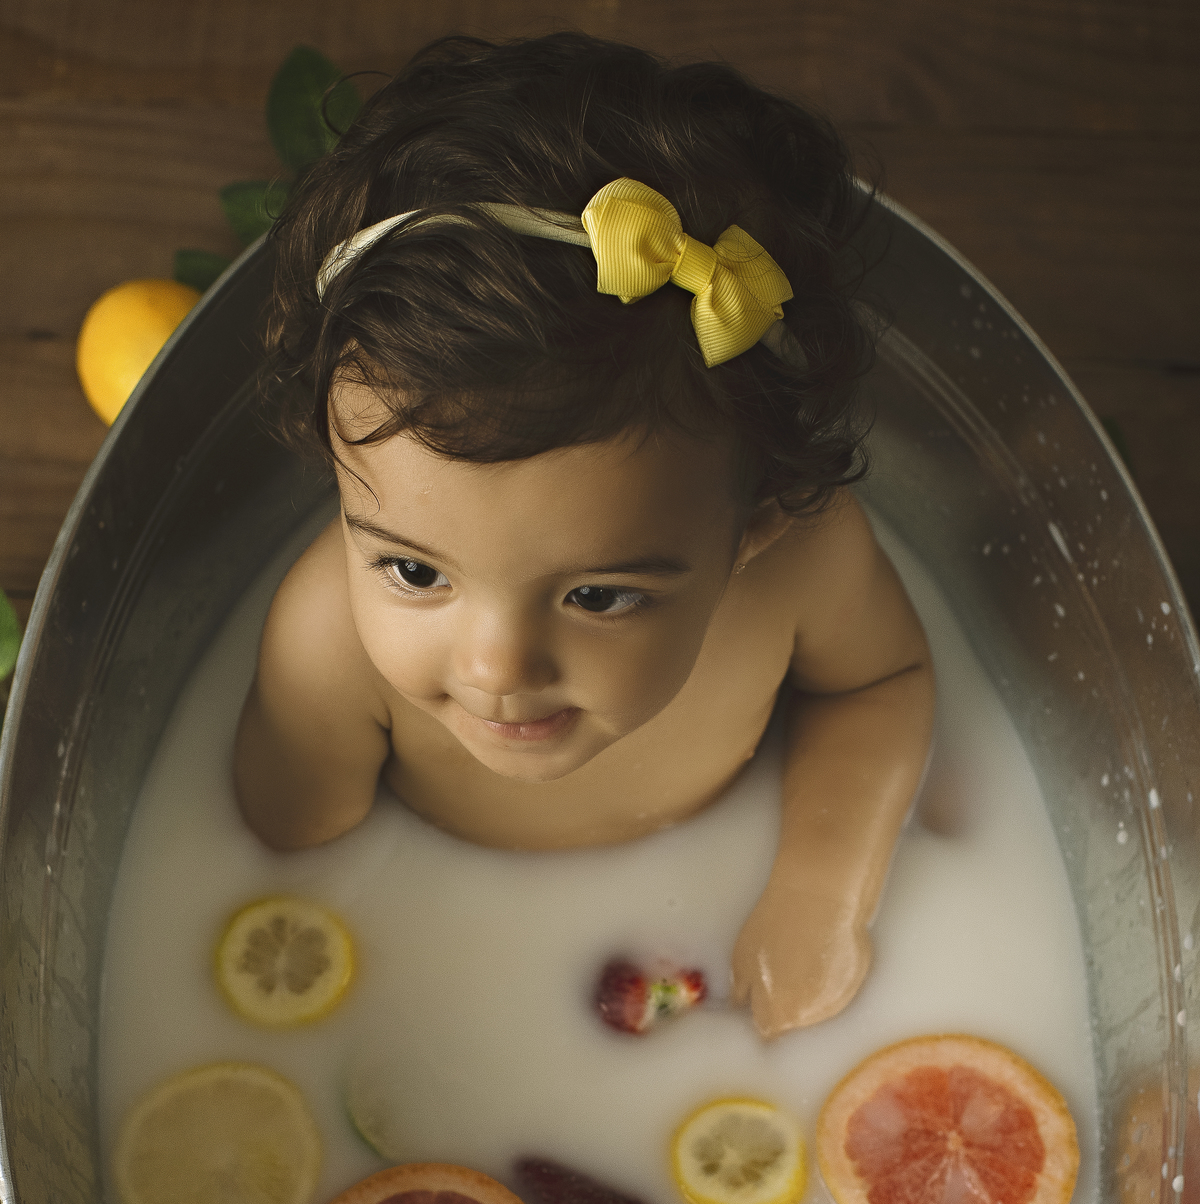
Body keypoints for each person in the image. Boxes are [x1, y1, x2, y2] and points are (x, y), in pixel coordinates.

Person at [236, 31, 934, 1040]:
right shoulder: (326, 649)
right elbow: (277, 847)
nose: (496, 665)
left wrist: (822, 895)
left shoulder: (806, 565)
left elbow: (880, 684)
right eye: (413, 569)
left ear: (754, 529)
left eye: (598, 596)